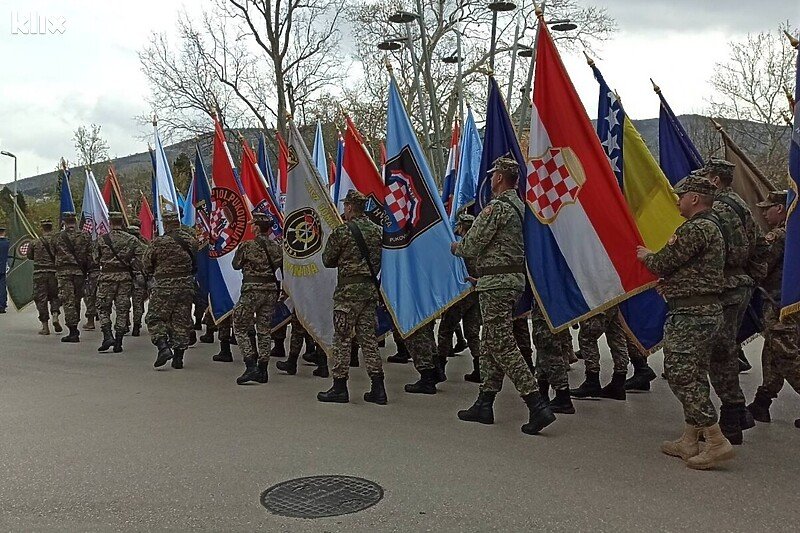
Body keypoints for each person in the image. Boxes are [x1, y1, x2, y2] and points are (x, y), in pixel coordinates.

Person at [451, 157, 555, 435]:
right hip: (506, 280)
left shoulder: (497, 207)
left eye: (494, 173)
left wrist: (456, 247)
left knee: (503, 344)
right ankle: (485, 402)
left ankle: (536, 403)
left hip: (497, 284)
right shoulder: (521, 207)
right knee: (490, 344)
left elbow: (472, 245)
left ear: (499, 177)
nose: (492, 177)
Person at [637, 174, 733, 470]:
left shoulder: (697, 228)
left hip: (694, 315)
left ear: (694, 198)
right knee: (695, 372)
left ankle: (715, 440)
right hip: (701, 310)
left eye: (681, 196)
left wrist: (646, 256)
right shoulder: (712, 226)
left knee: (680, 373)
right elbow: (694, 270)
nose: (677, 201)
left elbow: (664, 261)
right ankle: (690, 439)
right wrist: (675, 284)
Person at [704, 158, 766, 444]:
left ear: (715, 180)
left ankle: (731, 416)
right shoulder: (741, 206)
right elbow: (761, 245)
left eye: (706, 177)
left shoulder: (718, 208)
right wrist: (751, 276)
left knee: (721, 352)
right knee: (725, 349)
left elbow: (715, 250)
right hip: (739, 284)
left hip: (726, 286)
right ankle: (738, 413)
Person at [317, 190, 385, 405]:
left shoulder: (342, 232)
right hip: (369, 292)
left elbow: (327, 259)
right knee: (369, 340)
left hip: (348, 294)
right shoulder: (378, 231)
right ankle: (379, 388)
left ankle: (339, 387)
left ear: (348, 207)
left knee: (342, 339)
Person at [746, 190, 800, 427]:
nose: (764, 212)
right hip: (789, 303)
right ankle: (762, 402)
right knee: (772, 351)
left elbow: (761, 268)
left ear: (781, 208)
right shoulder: (794, 234)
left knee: (784, 352)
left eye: (768, 208)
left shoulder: (779, 236)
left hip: (780, 305)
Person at [231, 212, 283, 385]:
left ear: (257, 227)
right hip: (270, 291)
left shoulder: (247, 246)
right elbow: (279, 265)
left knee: (239, 325)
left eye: (253, 224)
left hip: (252, 290)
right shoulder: (277, 246)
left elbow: (236, 265)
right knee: (264, 329)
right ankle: (263, 369)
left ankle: (250, 364)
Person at [144, 211, 197, 369]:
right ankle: (179, 358)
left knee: (154, 318)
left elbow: (146, 263)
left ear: (165, 224)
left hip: (164, 286)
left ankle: (163, 347)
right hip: (186, 285)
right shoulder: (192, 241)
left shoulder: (159, 242)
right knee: (181, 320)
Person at [438, 211, 482, 382]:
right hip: (475, 294)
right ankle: (478, 367)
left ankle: (440, 368)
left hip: (460, 295)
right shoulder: (479, 246)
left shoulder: (461, 246)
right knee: (472, 332)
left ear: (463, 227)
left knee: (445, 330)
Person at [95, 212, 140, 353]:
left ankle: (107, 335)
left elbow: (95, 258)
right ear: (122, 222)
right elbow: (139, 260)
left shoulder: (102, 240)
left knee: (103, 308)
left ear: (110, 222)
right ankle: (119, 341)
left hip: (106, 278)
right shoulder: (132, 240)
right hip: (125, 278)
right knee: (122, 309)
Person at [571, 307, 630, 400]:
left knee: (587, 338)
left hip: (600, 299)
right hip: (616, 297)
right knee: (617, 336)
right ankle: (619, 382)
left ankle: (592, 381)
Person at [53, 212, 91, 342]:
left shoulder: (57, 237)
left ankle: (73, 330)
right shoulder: (85, 236)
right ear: (75, 221)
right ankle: (76, 322)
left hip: (64, 273)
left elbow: (53, 254)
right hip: (79, 272)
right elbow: (90, 255)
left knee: (68, 301)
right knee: (76, 299)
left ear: (64, 222)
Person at [26, 219, 62, 333]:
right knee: (55, 296)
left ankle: (45, 326)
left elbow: (29, 256)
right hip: (54, 273)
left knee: (41, 299)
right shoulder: (58, 241)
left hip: (39, 273)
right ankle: (55, 314)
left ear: (42, 228)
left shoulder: (34, 242)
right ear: (52, 228)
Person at [126, 219, 149, 337]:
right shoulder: (145, 247)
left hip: (125, 278)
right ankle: (136, 326)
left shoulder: (123, 247)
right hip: (140, 278)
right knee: (138, 303)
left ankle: (125, 323)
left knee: (123, 302)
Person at [0, 226, 8, 313]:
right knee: (2, 287)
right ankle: (2, 305)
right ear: (4, 233)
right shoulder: (7, 243)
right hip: (3, 267)